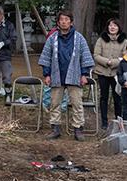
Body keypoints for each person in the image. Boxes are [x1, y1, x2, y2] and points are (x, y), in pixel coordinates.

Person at [39, 9, 94, 141]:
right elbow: (46, 58)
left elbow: (85, 57)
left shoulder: (79, 38)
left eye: (66, 20)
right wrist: (47, 75)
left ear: (71, 22)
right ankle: (55, 129)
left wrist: (84, 74)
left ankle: (78, 130)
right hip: (56, 75)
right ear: (58, 22)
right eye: (61, 20)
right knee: (55, 104)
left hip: (74, 75)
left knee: (77, 104)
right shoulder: (52, 38)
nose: (64, 22)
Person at [93, 18, 127, 132]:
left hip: (116, 74)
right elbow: (96, 55)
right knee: (103, 97)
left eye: (115, 25)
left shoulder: (124, 41)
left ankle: (118, 121)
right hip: (102, 73)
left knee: (117, 98)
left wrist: (112, 63)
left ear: (119, 27)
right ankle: (104, 121)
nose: (112, 27)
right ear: (107, 27)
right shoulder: (101, 40)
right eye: (110, 25)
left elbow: (126, 57)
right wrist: (106, 62)